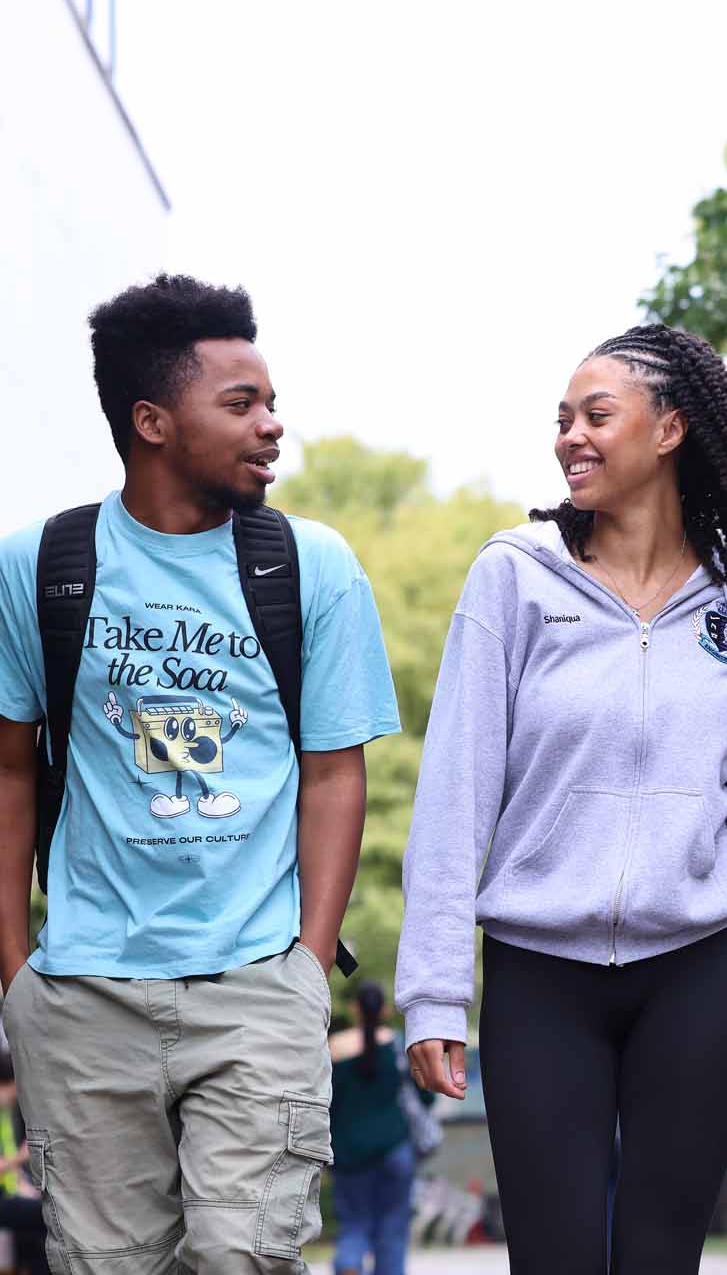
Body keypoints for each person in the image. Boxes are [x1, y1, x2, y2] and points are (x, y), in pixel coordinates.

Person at [395, 324, 727, 1273]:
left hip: (706, 963)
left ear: (670, 430)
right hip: (540, 969)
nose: (571, 436)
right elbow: (454, 792)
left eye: (596, 416)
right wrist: (435, 992)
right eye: (561, 420)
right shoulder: (516, 576)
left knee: (662, 1258)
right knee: (556, 1259)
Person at [0, 274, 402, 1269]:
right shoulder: (42, 566)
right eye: (242, 403)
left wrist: (308, 964)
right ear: (153, 422)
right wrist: (17, 975)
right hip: (85, 995)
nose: (273, 425)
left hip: (257, 983)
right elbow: (9, 773)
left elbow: (334, 776)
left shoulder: (311, 565)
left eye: (270, 400)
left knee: (244, 1255)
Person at [328, 981, 425, 1275]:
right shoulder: (396, 1045)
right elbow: (426, 1097)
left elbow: (326, 1105)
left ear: (355, 1007)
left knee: (354, 1223)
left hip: (348, 1155)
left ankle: (349, 1263)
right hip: (395, 1151)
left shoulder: (333, 1049)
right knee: (392, 1228)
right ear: (383, 1008)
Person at [0, 1051, 49, 1275]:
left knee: (40, 1216)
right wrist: (21, 1156)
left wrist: (24, 1185)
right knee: (45, 1216)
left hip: (9, 1193)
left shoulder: (6, 1116)